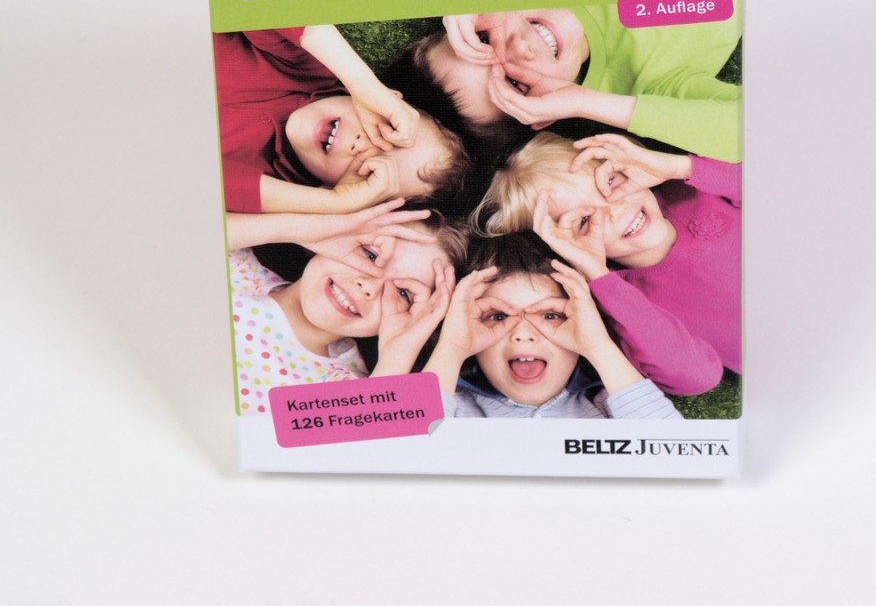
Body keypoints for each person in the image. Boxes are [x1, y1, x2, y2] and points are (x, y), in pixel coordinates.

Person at [476, 131, 740, 392]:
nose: (615, 210)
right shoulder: (625, 304)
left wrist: (677, 167)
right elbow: (698, 376)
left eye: (610, 182)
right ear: (566, 247)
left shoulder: (695, 188)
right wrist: (597, 274)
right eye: (584, 220)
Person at [393, 1, 742, 161]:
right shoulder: (652, 83)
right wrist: (584, 102)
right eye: (515, 83)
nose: (519, 47)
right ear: (545, 113)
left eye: (482, 40)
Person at [214, 25, 473, 218]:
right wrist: (363, 83)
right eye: (390, 128)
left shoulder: (271, 190)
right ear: (390, 100)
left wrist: (335, 202)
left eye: (371, 171)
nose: (362, 145)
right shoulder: (306, 67)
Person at [424, 231, 681, 421]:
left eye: (550, 315)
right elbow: (399, 441)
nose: (523, 334)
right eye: (498, 316)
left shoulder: (610, 404)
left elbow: (674, 452)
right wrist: (452, 347)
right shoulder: (449, 403)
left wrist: (598, 346)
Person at [230, 216, 461, 411]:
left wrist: (396, 357)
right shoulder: (236, 261)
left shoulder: (348, 390)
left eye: (403, 293)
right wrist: (302, 228)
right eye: (370, 254)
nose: (369, 285)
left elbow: (375, 443)